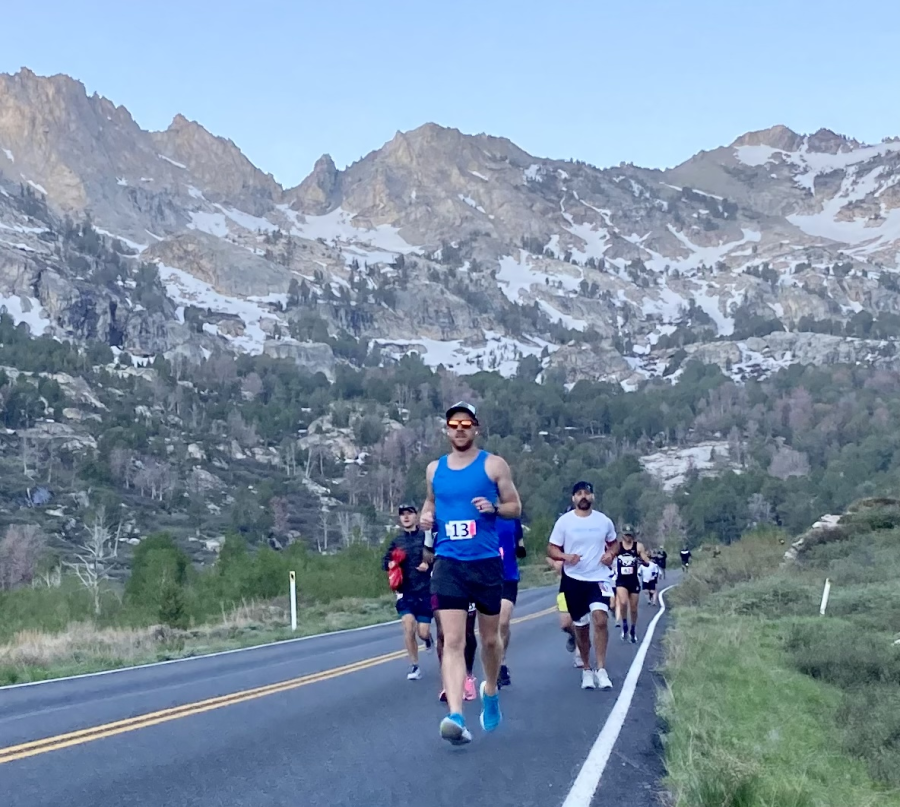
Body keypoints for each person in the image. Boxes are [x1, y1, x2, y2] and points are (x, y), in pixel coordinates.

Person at [420, 401, 522, 745]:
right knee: (452, 641)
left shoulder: (493, 465)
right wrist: (425, 518)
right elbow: (431, 503)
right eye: (453, 423)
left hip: (486, 563)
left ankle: (490, 690)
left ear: (475, 427)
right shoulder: (435, 469)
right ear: (446, 429)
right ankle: (455, 716)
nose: (459, 428)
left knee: (490, 640)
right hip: (448, 563)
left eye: (466, 423)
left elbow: (515, 506)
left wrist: (494, 508)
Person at [547, 481, 617, 691]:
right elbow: (552, 548)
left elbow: (614, 543)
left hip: (598, 577)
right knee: (582, 626)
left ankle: (602, 669)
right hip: (574, 579)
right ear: (573, 498)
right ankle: (587, 669)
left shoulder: (603, 521)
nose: (583, 497)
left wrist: (610, 554)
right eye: (579, 493)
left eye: (587, 493)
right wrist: (565, 556)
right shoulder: (564, 522)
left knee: (601, 619)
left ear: (592, 497)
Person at [382, 503, 434, 679]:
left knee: (423, 631)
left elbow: (438, 556)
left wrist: (428, 564)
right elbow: (385, 561)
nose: (405, 517)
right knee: (408, 626)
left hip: (425, 590)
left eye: (409, 514)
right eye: (402, 514)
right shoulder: (397, 541)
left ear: (416, 516)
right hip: (405, 592)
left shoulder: (425, 537)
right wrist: (390, 564)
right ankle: (414, 666)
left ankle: (428, 639)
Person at [497, 516, 527, 688]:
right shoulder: (479, 516)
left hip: (508, 576)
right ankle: (495, 662)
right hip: (486, 577)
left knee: (503, 621)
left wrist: (520, 548)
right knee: (490, 625)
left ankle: (501, 661)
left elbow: (519, 539)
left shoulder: (511, 518)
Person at [613, 524, 653, 644]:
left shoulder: (638, 546)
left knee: (634, 608)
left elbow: (647, 561)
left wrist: (643, 561)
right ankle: (624, 623)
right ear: (622, 535)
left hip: (633, 580)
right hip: (621, 580)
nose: (628, 538)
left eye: (630, 535)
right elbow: (609, 556)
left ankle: (633, 629)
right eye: (626, 535)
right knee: (623, 602)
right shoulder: (618, 546)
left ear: (633, 536)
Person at [435, 603, 478, 702]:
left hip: (467, 590)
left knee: (467, 631)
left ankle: (468, 676)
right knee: (442, 633)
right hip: (439, 589)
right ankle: (447, 682)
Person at [547, 557, 584, 668]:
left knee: (580, 621)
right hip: (565, 589)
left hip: (583, 587)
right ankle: (575, 637)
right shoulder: (561, 543)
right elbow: (549, 556)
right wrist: (555, 564)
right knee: (565, 624)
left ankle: (580, 653)